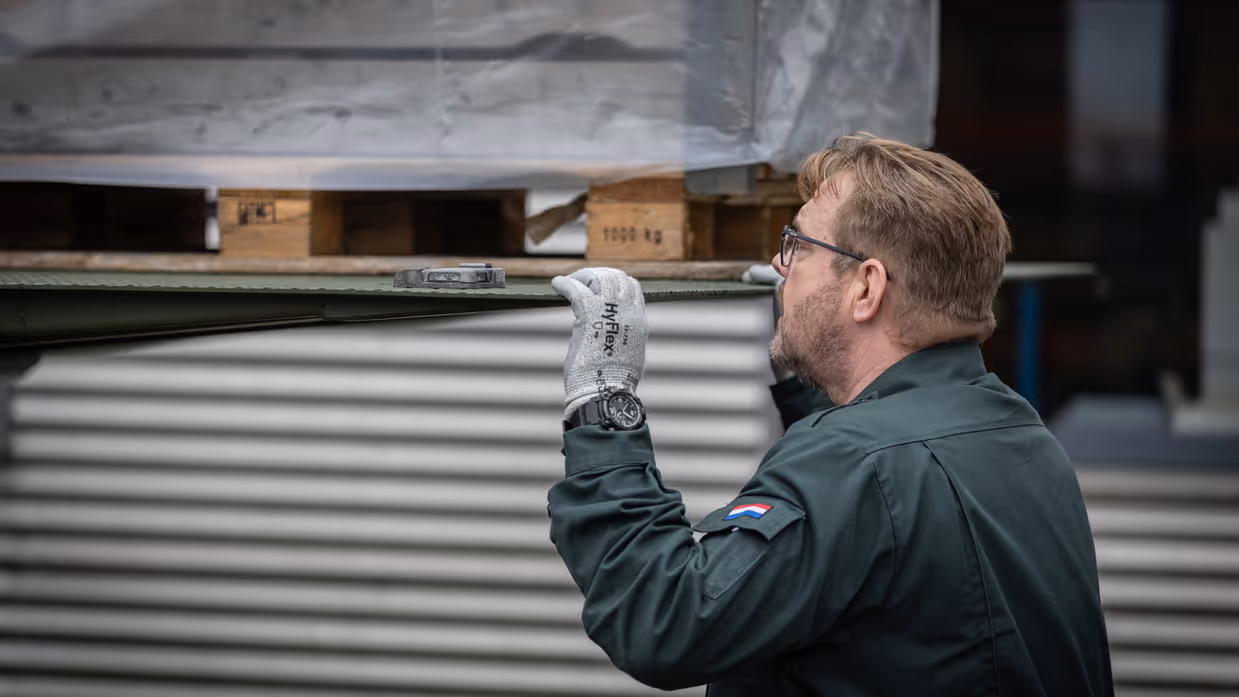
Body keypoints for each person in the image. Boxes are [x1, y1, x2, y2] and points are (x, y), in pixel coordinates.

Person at [548, 134, 1113, 696]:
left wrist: (603, 402)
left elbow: (665, 621)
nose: (778, 262)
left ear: (866, 286)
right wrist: (814, 351)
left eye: (798, 244)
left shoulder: (851, 465)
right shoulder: (1022, 434)